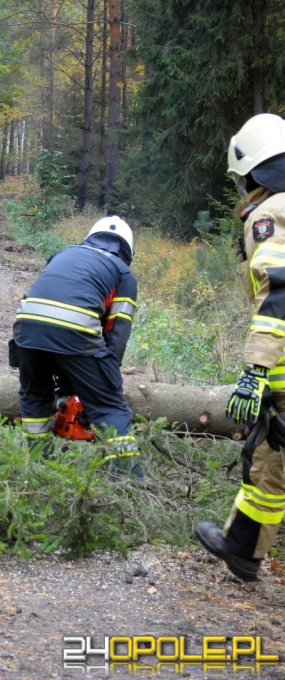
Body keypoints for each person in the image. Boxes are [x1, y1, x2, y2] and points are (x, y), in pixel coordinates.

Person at [195, 113, 285, 582]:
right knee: (271, 463)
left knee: (270, 458)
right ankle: (242, 549)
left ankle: (242, 548)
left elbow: (279, 294)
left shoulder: (271, 215)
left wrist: (255, 371)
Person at [11, 216, 139, 471]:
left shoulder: (62, 254)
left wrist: (73, 383)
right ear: (127, 250)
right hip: (75, 329)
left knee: (35, 395)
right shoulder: (123, 274)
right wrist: (106, 385)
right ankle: (127, 483)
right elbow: (116, 334)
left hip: (26, 326)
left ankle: (37, 468)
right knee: (110, 408)